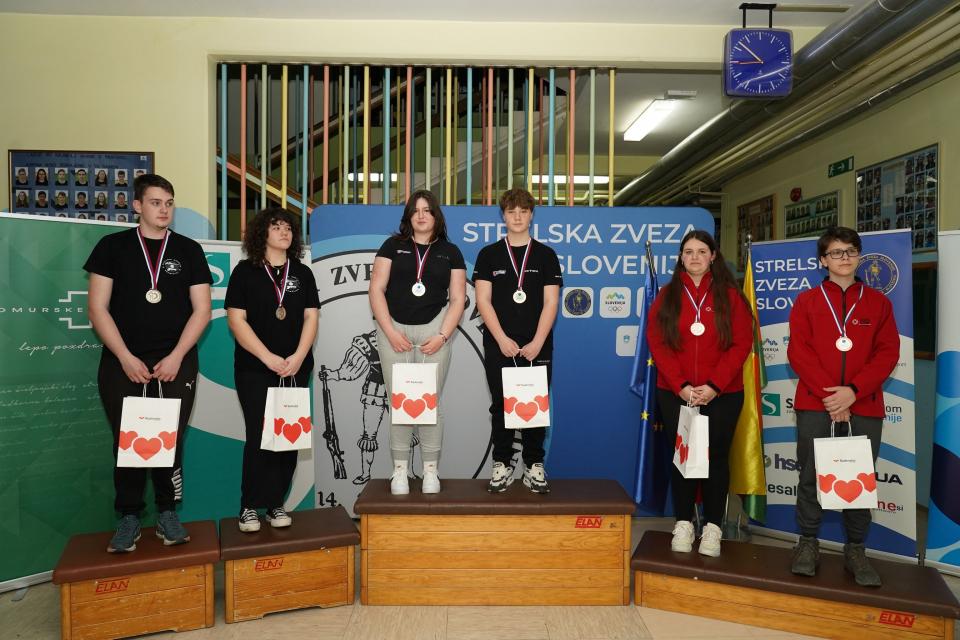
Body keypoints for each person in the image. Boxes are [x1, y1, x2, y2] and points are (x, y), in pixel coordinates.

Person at [84, 173, 212, 553]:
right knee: (128, 440)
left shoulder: (188, 250)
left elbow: (202, 310)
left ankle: (167, 513)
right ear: (137, 205)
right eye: (156, 203)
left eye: (169, 203)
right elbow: (97, 308)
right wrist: (125, 357)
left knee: (169, 439)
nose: (164, 210)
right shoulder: (112, 247)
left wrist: (177, 356)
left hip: (176, 361)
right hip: (122, 361)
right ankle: (128, 517)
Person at [788, 226, 900, 587]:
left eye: (851, 251)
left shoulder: (878, 303)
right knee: (810, 476)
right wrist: (833, 397)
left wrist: (852, 392)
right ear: (823, 260)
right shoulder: (807, 301)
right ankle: (808, 543)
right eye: (836, 252)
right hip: (815, 403)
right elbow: (799, 352)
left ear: (859, 256)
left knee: (858, 479)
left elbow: (888, 353)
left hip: (864, 404)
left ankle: (855, 549)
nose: (844, 258)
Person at [646, 230, 752, 558]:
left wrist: (714, 386)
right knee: (683, 459)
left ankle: (713, 527)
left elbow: (741, 344)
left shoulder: (730, 296)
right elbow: (658, 342)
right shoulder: (667, 296)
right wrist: (681, 386)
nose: (695, 257)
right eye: (688, 251)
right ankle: (683, 523)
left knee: (716, 459)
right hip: (676, 393)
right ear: (680, 257)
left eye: (702, 251)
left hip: (723, 393)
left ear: (713, 256)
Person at [226, 208, 319, 532]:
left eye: (288, 228)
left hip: (295, 368)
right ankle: (249, 506)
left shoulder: (302, 273)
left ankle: (275, 504)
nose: (284, 232)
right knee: (259, 436)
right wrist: (267, 357)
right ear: (261, 234)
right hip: (255, 368)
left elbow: (311, 317)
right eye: (276, 227)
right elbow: (236, 320)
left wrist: (298, 356)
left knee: (289, 436)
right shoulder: (245, 272)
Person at [369, 189, 467, 495]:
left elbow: (458, 298)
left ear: (436, 216)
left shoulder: (450, 251)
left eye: (427, 210)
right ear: (408, 216)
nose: (421, 215)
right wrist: (389, 331)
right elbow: (376, 289)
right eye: (416, 210)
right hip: (393, 330)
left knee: (428, 403)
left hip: (434, 331)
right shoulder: (392, 246)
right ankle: (399, 470)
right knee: (400, 403)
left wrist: (443, 335)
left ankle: (430, 471)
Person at [474, 188, 562, 494]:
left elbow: (551, 302)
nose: (517, 217)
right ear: (503, 216)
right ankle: (502, 463)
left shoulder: (546, 255)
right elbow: (483, 300)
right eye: (511, 212)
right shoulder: (489, 255)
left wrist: (538, 341)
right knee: (501, 404)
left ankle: (534, 465)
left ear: (531, 215)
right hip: (499, 344)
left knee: (534, 404)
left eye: (523, 211)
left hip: (537, 344)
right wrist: (501, 339)